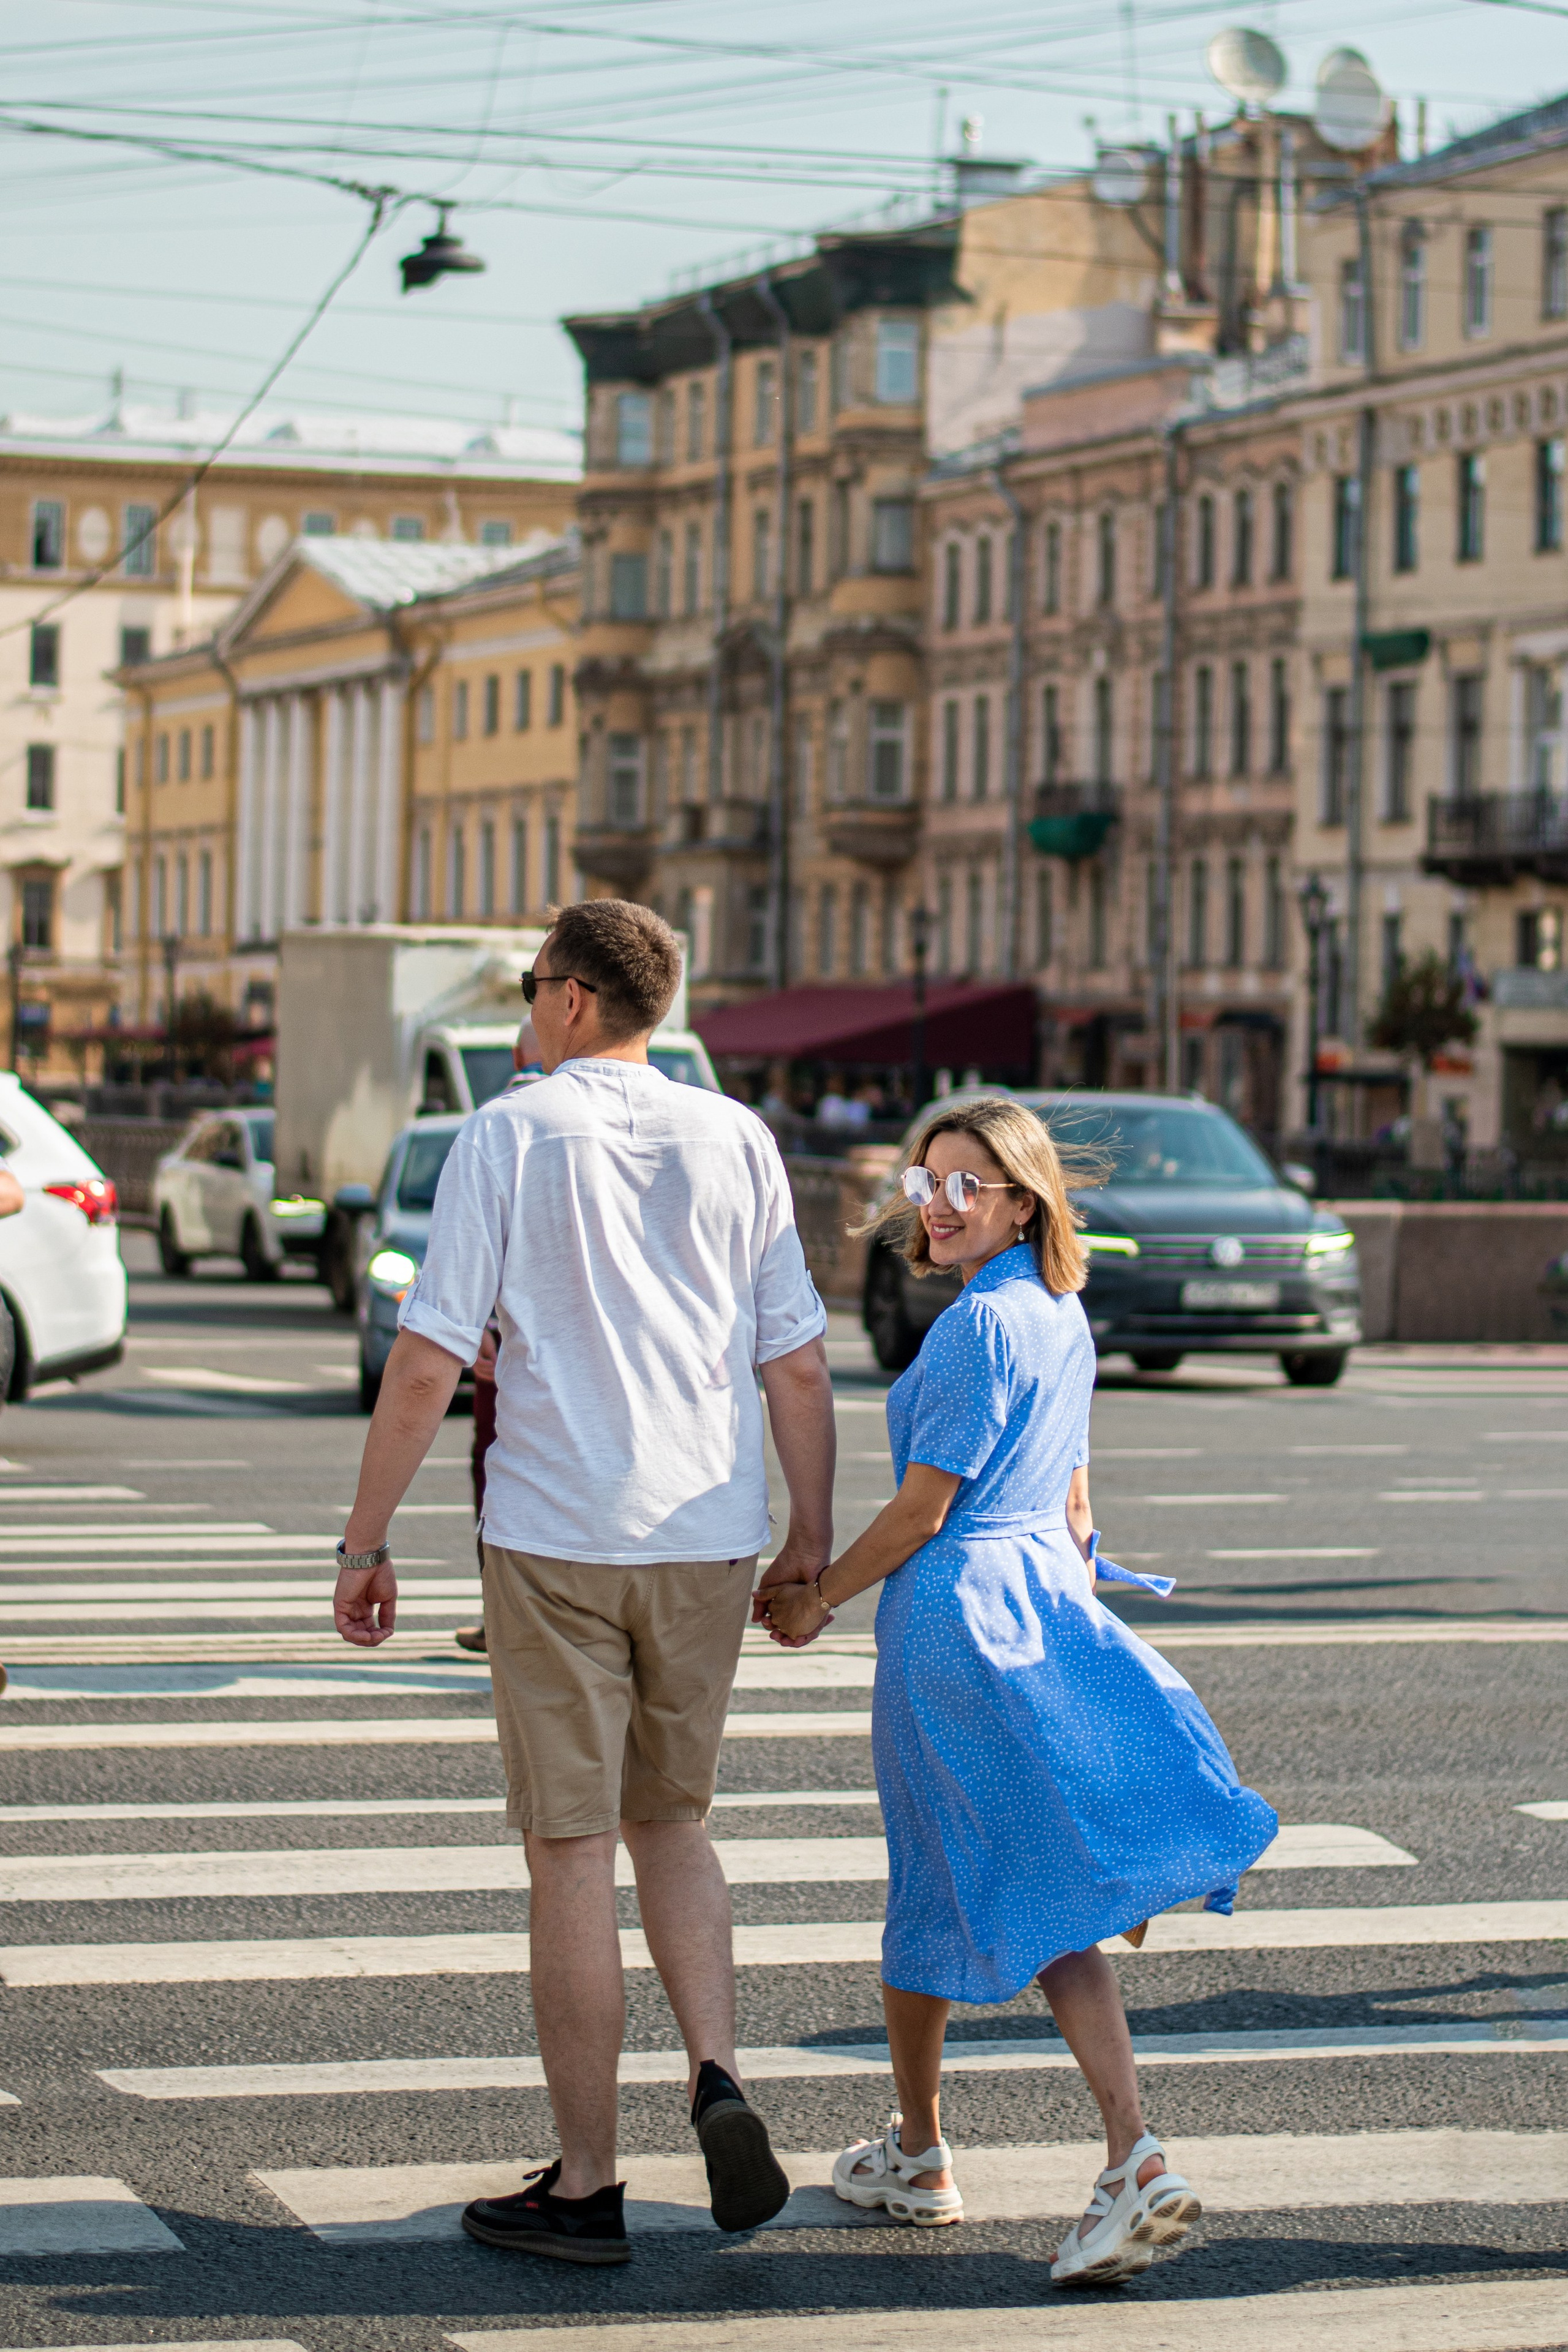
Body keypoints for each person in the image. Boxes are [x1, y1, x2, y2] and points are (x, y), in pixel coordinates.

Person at [333, 900, 835, 2265]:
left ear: (567, 1001)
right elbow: (794, 1362)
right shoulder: (736, 1137)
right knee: (670, 1824)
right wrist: (809, 1536)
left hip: (558, 1533)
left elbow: (430, 1357)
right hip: (706, 1530)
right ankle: (719, 2072)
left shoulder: (508, 1134)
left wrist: (364, 1540)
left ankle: (588, 2182)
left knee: (567, 1852)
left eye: (530, 988)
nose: (522, 1013)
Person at [761, 1096, 1276, 2287]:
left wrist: (815, 1596)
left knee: (980, 1886)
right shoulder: (1058, 1312)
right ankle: (950, 2151)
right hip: (1036, 1592)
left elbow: (920, 1510)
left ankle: (1098, 2158)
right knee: (984, 1883)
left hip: (952, 1618)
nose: (934, 1205)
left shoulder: (974, 1332)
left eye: (963, 1186)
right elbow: (1080, 1499)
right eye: (923, 1179)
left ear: (1020, 1201)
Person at [455, 1018, 544, 1659]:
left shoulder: (500, 1119)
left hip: (507, 1336)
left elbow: (476, 1246)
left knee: (496, 1467)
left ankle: (504, 1613)